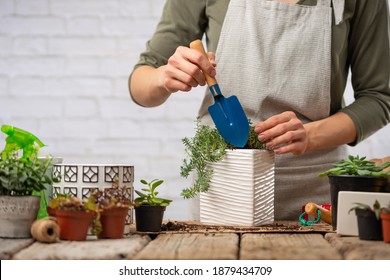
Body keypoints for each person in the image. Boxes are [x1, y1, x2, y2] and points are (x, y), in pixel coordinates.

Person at [128, 0, 390, 220]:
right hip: (225, 187)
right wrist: (164, 77)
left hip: (312, 187)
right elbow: (141, 83)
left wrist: (310, 135)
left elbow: (378, 97)